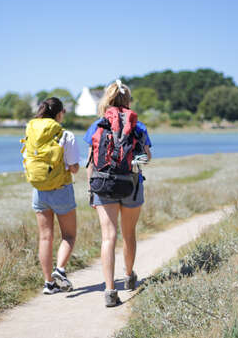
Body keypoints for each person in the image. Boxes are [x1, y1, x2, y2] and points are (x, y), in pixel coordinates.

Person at [84, 80, 152, 307]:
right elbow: (147, 158)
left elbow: (91, 162)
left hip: (103, 185)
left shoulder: (98, 125)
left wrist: (91, 189)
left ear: (107, 99)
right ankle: (129, 276)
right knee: (129, 234)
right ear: (128, 100)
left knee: (108, 238)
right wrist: (132, 162)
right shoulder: (138, 125)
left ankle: (110, 290)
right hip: (131, 184)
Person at [21, 97, 80, 295]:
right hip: (61, 189)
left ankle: (48, 284)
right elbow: (74, 168)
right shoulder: (66, 135)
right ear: (59, 113)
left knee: (45, 238)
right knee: (69, 236)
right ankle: (60, 270)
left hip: (39, 191)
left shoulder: (31, 132)